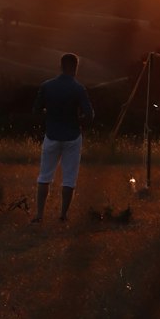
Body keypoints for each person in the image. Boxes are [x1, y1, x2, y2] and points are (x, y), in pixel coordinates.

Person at [32, 52, 94, 224]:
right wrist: (78, 121)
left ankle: (39, 215)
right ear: (75, 67)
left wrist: (48, 116)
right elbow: (89, 115)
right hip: (72, 136)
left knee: (44, 176)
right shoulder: (79, 88)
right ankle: (63, 215)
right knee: (69, 177)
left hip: (52, 134)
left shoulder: (47, 86)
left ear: (60, 66)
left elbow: (36, 111)